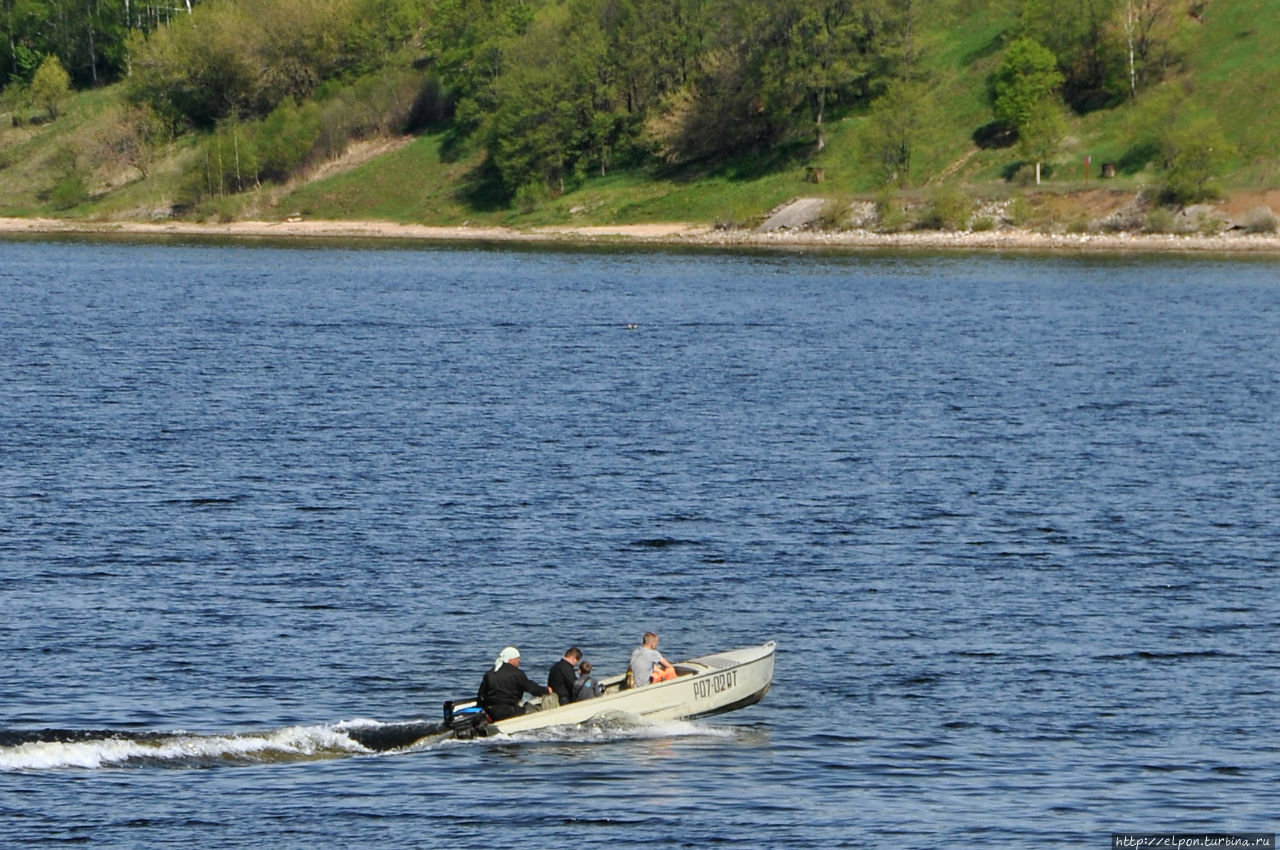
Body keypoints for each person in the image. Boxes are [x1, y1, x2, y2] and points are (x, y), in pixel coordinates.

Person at [476, 646, 549, 721]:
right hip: (509, 712)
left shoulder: (489, 674)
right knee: (536, 710)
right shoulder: (517, 673)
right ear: (511, 660)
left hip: (491, 712)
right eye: (518, 658)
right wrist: (546, 690)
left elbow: (481, 696)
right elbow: (532, 689)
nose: (519, 661)